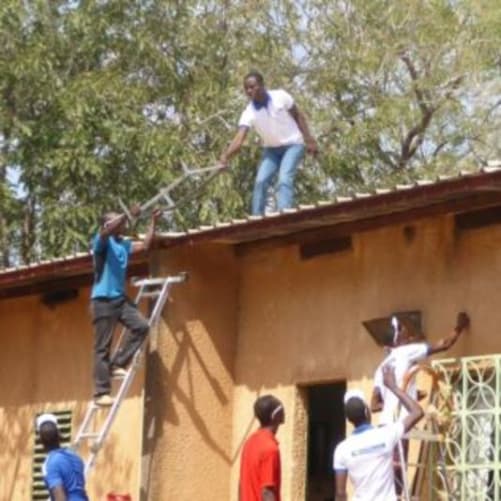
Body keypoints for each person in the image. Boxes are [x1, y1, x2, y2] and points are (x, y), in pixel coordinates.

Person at [219, 70, 318, 215]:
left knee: (284, 179)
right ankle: (256, 218)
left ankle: (284, 214)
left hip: (293, 145)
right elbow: (239, 139)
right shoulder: (249, 113)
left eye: (252, 87)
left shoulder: (280, 96)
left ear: (262, 85)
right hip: (271, 150)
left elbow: (298, 116)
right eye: (246, 88)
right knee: (260, 182)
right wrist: (225, 157)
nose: (249, 91)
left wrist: (309, 140)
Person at [91, 207, 161, 406]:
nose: (123, 224)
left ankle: (118, 363)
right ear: (109, 225)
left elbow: (145, 246)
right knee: (102, 347)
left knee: (142, 326)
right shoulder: (102, 242)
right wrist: (126, 213)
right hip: (103, 300)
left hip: (119, 299)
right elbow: (106, 230)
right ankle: (101, 393)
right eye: (118, 222)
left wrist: (153, 222)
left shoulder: (123, 244)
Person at [333, 366, 424, 501]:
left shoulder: (342, 450)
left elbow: (340, 494)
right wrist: (393, 387)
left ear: (348, 419)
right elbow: (417, 412)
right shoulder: (386, 435)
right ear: (367, 412)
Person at [370, 311, 470, 425]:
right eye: (404, 330)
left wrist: (409, 396)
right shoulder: (406, 351)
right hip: (399, 422)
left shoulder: (381, 368)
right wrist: (460, 326)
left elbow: (374, 406)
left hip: (384, 423)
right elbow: (444, 344)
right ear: (398, 337)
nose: (410, 336)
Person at [239, 395, 285, 501]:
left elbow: (241, 484)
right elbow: (267, 492)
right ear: (275, 416)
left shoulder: (249, 442)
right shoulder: (270, 449)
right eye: (280, 408)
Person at [37, 413, 89, 501]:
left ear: (41, 439)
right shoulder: (75, 457)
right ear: (59, 435)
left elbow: (60, 496)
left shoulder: (50, 463)